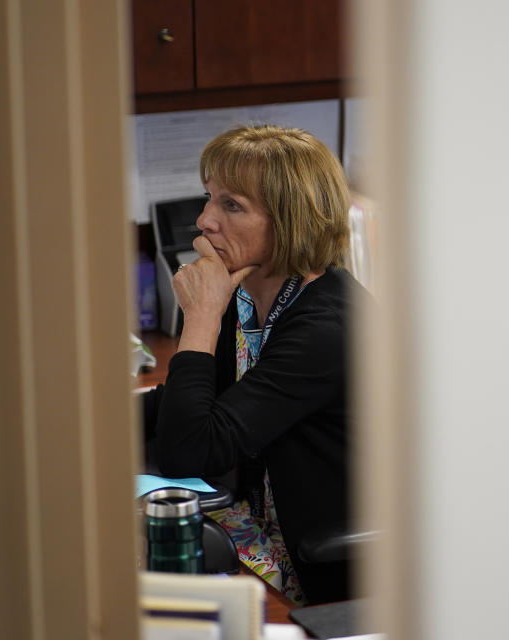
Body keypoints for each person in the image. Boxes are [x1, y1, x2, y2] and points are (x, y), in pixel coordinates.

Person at [142, 124, 365, 604]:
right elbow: (195, 400)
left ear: (289, 220)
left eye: (232, 205)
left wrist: (200, 317)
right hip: (258, 524)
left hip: (319, 566)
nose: (204, 221)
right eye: (209, 198)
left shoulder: (325, 328)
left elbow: (191, 449)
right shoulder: (248, 300)